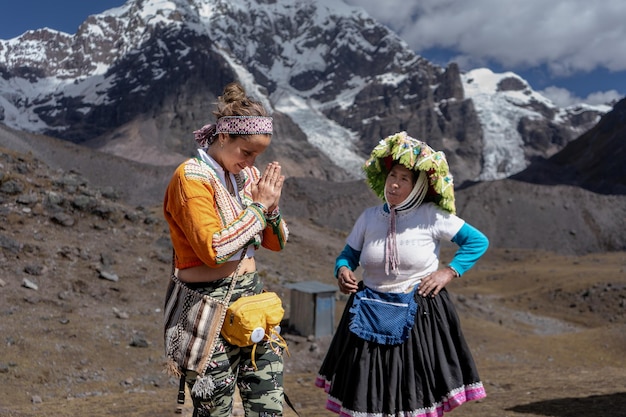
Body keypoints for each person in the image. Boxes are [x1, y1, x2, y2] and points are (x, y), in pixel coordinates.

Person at [316, 131, 489, 417]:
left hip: (418, 313)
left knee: (412, 390)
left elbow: (477, 241)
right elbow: (348, 255)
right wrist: (343, 269)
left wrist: (449, 272)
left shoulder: (432, 215)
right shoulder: (370, 217)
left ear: (418, 185)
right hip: (368, 312)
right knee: (367, 389)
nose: (394, 184)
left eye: (404, 179)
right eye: (392, 176)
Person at [163, 82, 289, 417]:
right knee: (214, 410)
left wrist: (271, 208)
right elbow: (214, 249)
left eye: (258, 156)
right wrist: (259, 210)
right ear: (223, 137)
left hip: (251, 301)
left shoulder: (245, 176)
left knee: (268, 405)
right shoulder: (190, 178)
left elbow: (276, 242)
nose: (251, 162)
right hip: (205, 305)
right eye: (246, 152)